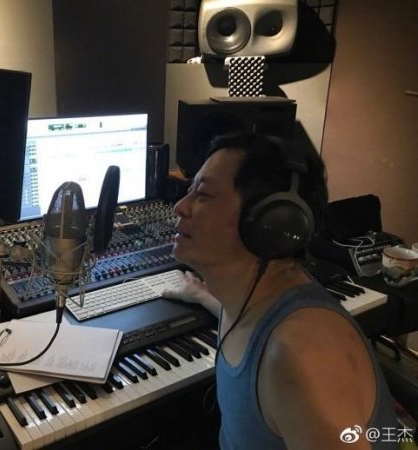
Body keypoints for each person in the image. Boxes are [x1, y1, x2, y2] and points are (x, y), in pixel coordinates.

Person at [162, 132, 399, 449]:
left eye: (202, 194)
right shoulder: (250, 296)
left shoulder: (303, 355)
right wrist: (204, 296)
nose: (180, 206)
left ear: (268, 222)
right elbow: (254, 326)